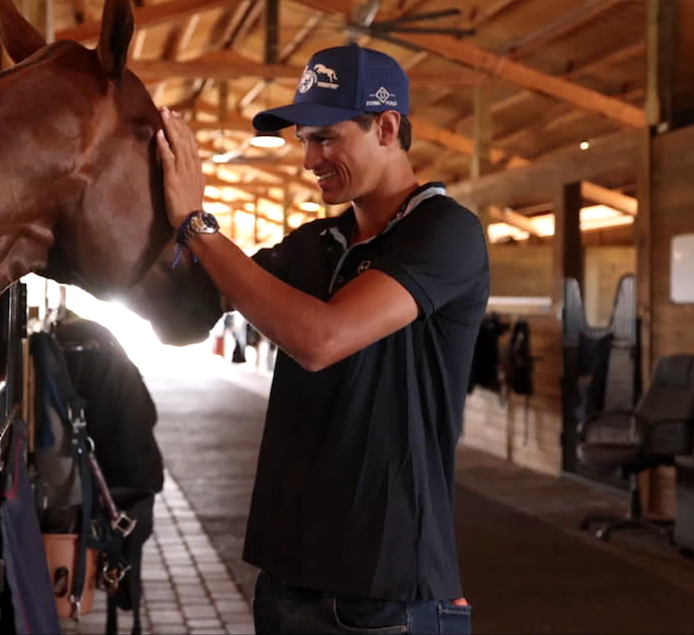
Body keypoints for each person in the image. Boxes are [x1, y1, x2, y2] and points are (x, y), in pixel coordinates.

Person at [154, 43, 490, 634]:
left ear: (387, 127)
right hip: (287, 578)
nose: (309, 159)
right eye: (304, 141)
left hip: (386, 590)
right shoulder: (312, 244)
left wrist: (199, 224)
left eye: (327, 138)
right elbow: (188, 307)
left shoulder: (446, 234)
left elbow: (321, 339)